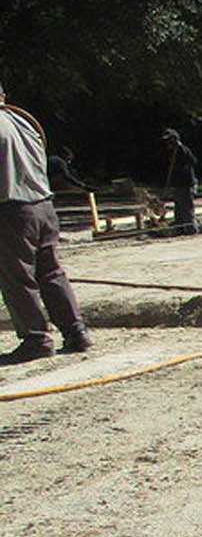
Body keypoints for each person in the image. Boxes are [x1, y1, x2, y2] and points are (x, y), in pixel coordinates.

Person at [0, 82, 91, 365]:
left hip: (13, 211)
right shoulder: (22, 121)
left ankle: (36, 339)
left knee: (18, 278)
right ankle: (76, 332)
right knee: (51, 272)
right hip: (44, 207)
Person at [161, 127, 198, 235]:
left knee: (186, 207)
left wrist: (180, 147)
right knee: (178, 209)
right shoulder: (171, 152)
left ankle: (191, 230)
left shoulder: (183, 150)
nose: (167, 143)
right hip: (177, 185)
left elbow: (193, 161)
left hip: (186, 184)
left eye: (169, 140)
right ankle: (180, 228)